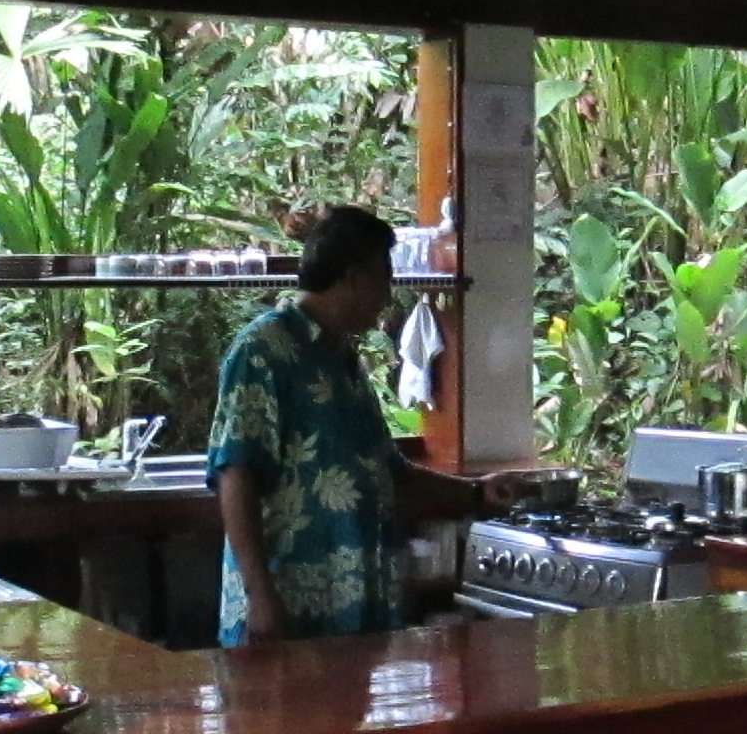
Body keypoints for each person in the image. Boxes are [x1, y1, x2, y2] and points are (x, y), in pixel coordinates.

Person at [207, 206, 516, 645]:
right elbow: (235, 474)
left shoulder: (343, 358)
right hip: (291, 602)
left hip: (356, 604)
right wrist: (261, 597)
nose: (388, 296)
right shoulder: (263, 350)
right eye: (384, 280)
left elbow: (387, 470)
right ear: (353, 277)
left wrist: (477, 492)